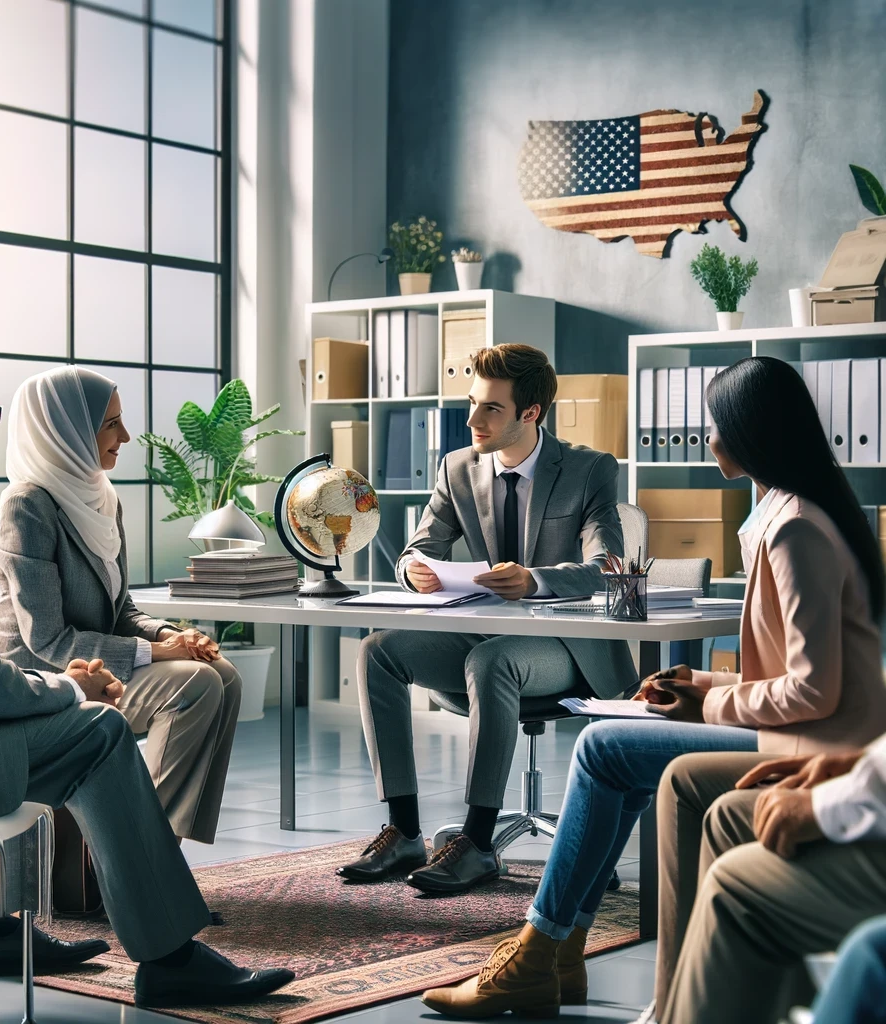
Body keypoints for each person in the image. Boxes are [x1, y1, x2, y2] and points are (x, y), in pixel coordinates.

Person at [420, 355, 886, 1019]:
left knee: (605, 749)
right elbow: (799, 674)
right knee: (613, 751)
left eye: (716, 426)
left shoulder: (796, 531)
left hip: (810, 749)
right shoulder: (794, 514)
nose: (709, 440)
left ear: (752, 433)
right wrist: (701, 682)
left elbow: (814, 691)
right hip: (794, 731)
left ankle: (545, 952)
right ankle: (562, 953)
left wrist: (714, 700)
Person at [0, 342, 292, 1009]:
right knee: (94, 731)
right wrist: (72, 687)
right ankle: (168, 954)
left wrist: (151, 644)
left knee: (66, 722)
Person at [340, 343, 638, 895]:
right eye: (472, 403)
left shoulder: (588, 469)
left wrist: (536, 579)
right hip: (483, 633)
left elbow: (605, 566)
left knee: (491, 658)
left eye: (491, 409)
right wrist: (416, 573)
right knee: (377, 650)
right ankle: (405, 831)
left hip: (563, 645)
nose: (473, 420)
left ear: (532, 413)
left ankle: (477, 845)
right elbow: (416, 549)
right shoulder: (457, 468)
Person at [0, 366, 240, 846]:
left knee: (223, 673)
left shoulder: (104, 499)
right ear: (66, 430)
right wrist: (164, 655)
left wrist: (170, 635)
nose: (125, 436)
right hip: (43, 681)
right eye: (111, 424)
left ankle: (157, 855)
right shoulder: (27, 506)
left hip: (99, 667)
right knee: (194, 684)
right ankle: (140, 856)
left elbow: (120, 608)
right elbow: (47, 640)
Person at [661, 736, 886, 1024]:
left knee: (733, 887)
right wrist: (862, 760)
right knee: (727, 817)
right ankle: (674, 1008)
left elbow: (812, 697)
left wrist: (712, 698)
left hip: (822, 742)